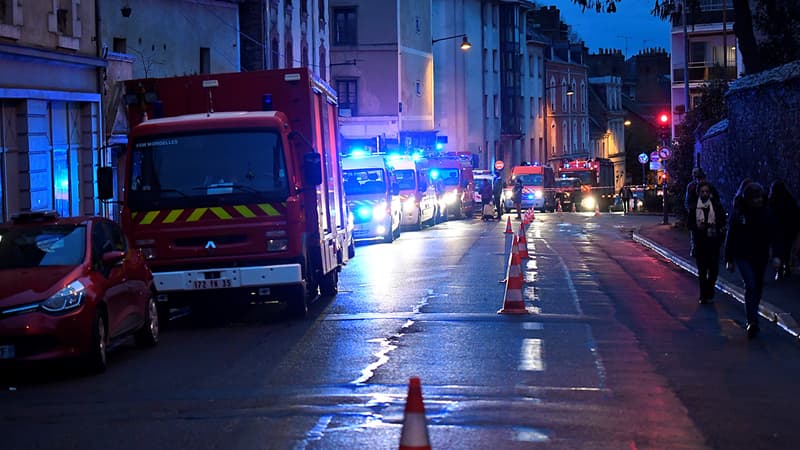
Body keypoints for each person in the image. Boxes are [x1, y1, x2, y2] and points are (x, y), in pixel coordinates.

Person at [724, 181, 776, 338]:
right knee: (751, 285)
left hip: (760, 255)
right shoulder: (739, 213)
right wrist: (729, 258)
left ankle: (752, 315)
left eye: (760, 197)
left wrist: (778, 254)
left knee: (758, 286)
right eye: (755, 198)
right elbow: (731, 235)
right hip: (743, 254)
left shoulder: (766, 213)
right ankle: (752, 321)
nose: (758, 200)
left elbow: (775, 233)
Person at [688, 181, 726, 304]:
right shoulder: (694, 208)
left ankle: (710, 287)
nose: (705, 194)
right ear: (698, 193)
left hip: (713, 242)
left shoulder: (716, 206)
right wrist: (697, 227)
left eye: (707, 191)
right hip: (701, 242)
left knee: (714, 269)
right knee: (702, 270)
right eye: (702, 191)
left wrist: (717, 229)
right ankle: (703, 294)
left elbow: (722, 221)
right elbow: (690, 224)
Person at [768, 180, 800, 280]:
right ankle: (785, 266)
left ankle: (780, 268)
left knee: (778, 250)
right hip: (787, 229)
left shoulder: (773, 201)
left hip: (778, 229)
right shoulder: (789, 200)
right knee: (786, 249)